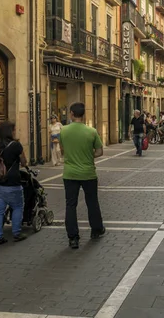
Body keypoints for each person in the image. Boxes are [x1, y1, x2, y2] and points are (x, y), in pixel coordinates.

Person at [59, 102, 105, 249]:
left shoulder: (63, 131)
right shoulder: (91, 131)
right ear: (83, 115)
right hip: (88, 173)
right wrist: (88, 154)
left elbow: (62, 151)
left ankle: (73, 238)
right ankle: (96, 229)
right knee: (92, 202)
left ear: (71, 114)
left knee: (70, 205)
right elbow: (99, 152)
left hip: (70, 173)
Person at [0, 121, 28, 246]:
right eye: (14, 129)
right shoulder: (16, 145)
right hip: (11, 183)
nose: (15, 131)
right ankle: (16, 233)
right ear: (10, 131)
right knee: (17, 207)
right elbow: (24, 162)